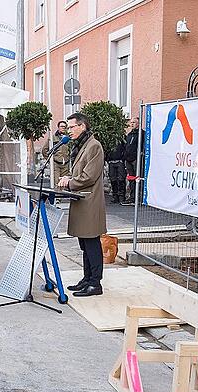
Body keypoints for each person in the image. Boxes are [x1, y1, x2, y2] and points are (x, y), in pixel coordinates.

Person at [57, 113, 107, 297]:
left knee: (92, 243)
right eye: (68, 127)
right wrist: (68, 177)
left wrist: (70, 182)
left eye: (71, 127)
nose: (69, 130)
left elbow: (89, 176)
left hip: (90, 202)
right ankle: (87, 279)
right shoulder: (83, 145)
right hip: (81, 201)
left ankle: (95, 283)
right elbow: (79, 172)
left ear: (83, 126)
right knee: (84, 244)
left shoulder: (94, 146)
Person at [123, 117, 142, 205]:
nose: (132, 124)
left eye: (134, 122)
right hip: (128, 159)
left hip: (136, 159)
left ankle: (138, 197)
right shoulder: (130, 134)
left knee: (137, 178)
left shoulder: (142, 134)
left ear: (138, 124)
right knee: (131, 179)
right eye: (131, 122)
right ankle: (132, 197)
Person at [106, 133, 127, 204]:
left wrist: (123, 158)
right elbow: (106, 148)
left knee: (121, 179)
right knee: (113, 179)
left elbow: (125, 148)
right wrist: (107, 158)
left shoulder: (122, 137)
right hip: (111, 161)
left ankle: (122, 197)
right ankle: (115, 196)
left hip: (119, 161)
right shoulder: (109, 138)